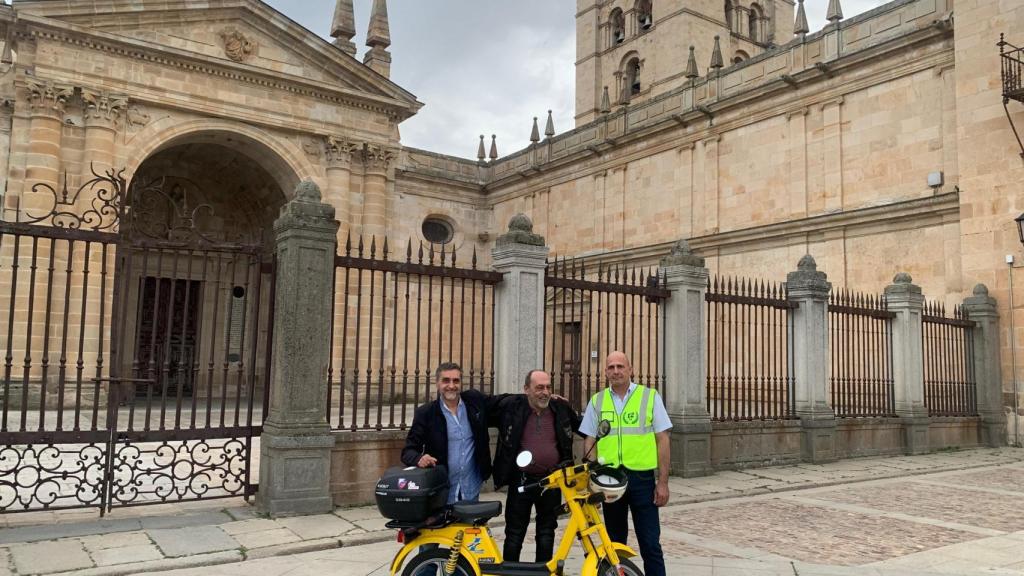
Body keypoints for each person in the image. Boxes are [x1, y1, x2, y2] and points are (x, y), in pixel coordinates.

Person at [580, 351, 671, 576]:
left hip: (642, 479)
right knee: (614, 544)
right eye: (611, 367)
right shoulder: (597, 400)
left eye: (620, 366)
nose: (616, 371)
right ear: (605, 372)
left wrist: (663, 482)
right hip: (610, 481)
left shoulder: (649, 396)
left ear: (631, 369)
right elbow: (590, 440)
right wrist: (594, 483)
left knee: (650, 544)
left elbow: (663, 439)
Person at [490, 369, 580, 563]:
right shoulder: (513, 407)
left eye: (548, 387)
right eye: (539, 387)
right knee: (514, 534)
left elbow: (582, 427)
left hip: (552, 482)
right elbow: (485, 404)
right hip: (521, 481)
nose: (545, 392)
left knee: (547, 533)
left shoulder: (560, 408)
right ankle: (511, 573)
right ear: (526, 389)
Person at [401, 361, 492, 504]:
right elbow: (408, 451)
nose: (451, 385)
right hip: (442, 491)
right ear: (437, 383)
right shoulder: (426, 413)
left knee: (468, 526)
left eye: (456, 380)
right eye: (446, 381)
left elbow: (501, 403)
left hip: (471, 488)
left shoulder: (474, 404)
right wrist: (419, 458)